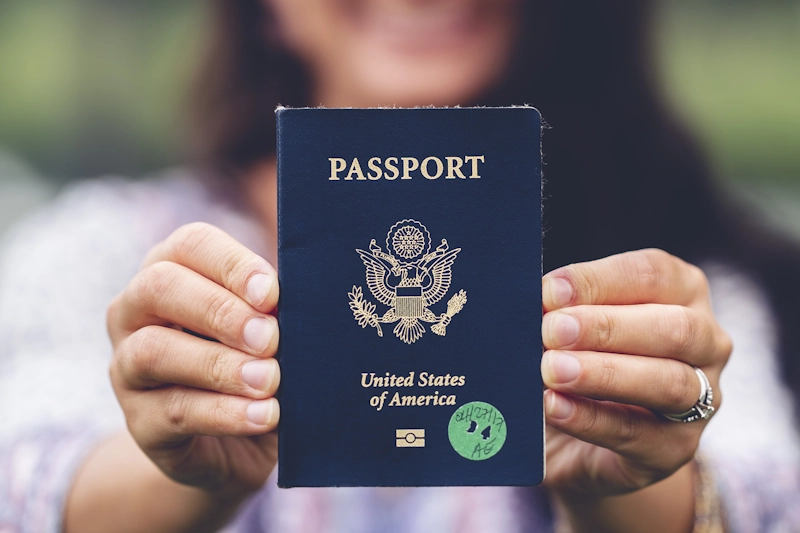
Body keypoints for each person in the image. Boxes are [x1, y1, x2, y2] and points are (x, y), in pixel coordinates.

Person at [1, 0, 799, 531]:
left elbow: (768, 495)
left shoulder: (670, 270)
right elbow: (21, 478)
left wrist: (648, 465)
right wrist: (181, 476)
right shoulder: (103, 248)